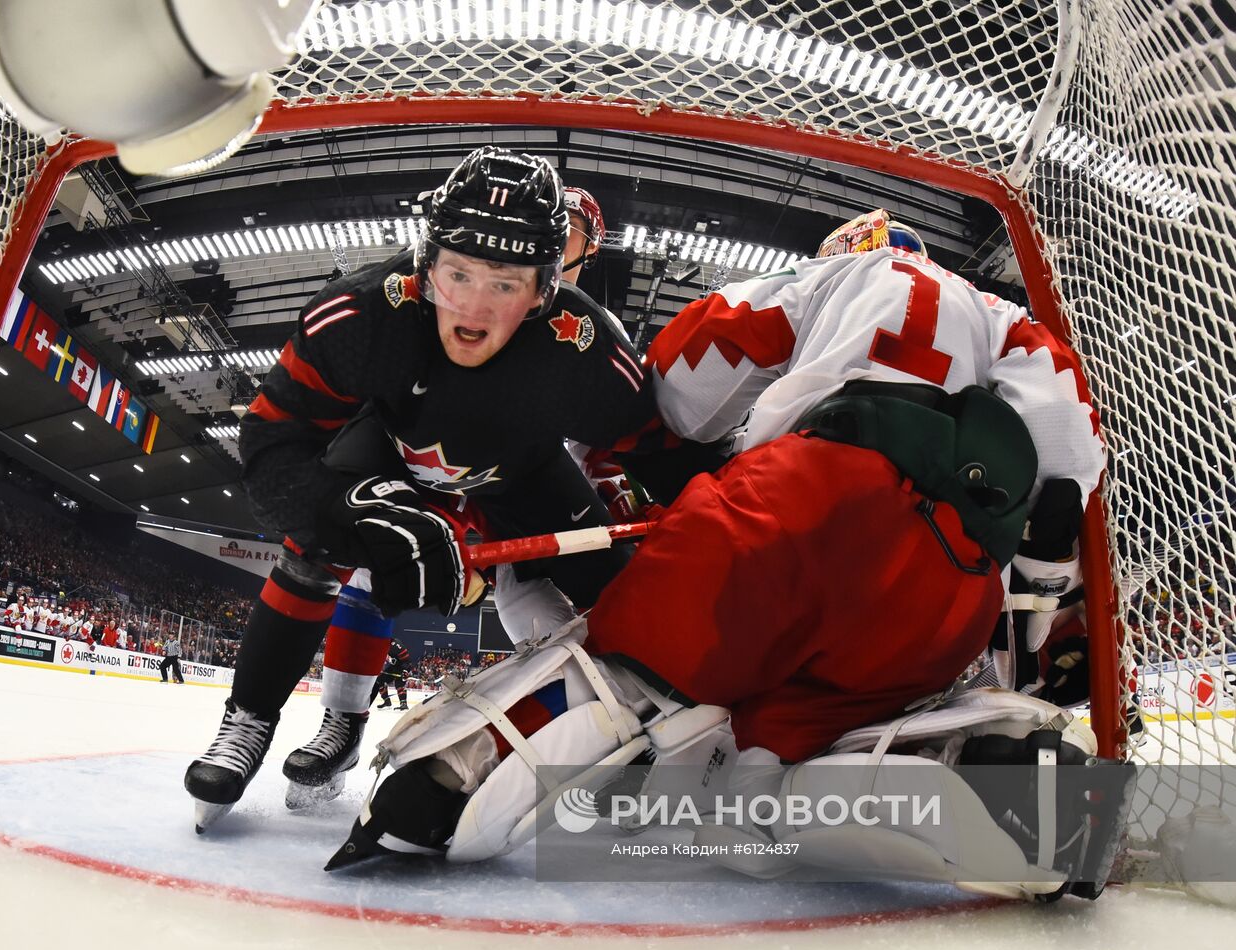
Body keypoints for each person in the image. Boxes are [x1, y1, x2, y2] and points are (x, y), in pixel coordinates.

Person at [326, 207, 1108, 870]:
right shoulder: (1016, 324)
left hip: (804, 500)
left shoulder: (829, 278)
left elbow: (683, 386)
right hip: (949, 580)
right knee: (773, 754)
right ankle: (982, 775)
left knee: (629, 673)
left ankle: (437, 790)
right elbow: (1071, 467)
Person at [183, 147, 656, 831]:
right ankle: (254, 717)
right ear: (425, 260)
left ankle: (645, 734)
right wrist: (338, 511)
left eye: (504, 282)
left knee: (627, 598)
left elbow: (659, 442)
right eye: (458, 273)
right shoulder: (361, 315)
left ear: (547, 286)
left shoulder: (587, 348)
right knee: (313, 543)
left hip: (520, 476)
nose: (471, 305)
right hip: (393, 456)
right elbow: (269, 450)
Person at [371, 640, 412, 711]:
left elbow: (407, 660)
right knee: (380, 679)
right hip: (395, 667)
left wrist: (405, 670)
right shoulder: (383, 645)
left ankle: (403, 704)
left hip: (403, 666)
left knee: (399, 683)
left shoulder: (396, 646)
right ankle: (387, 701)